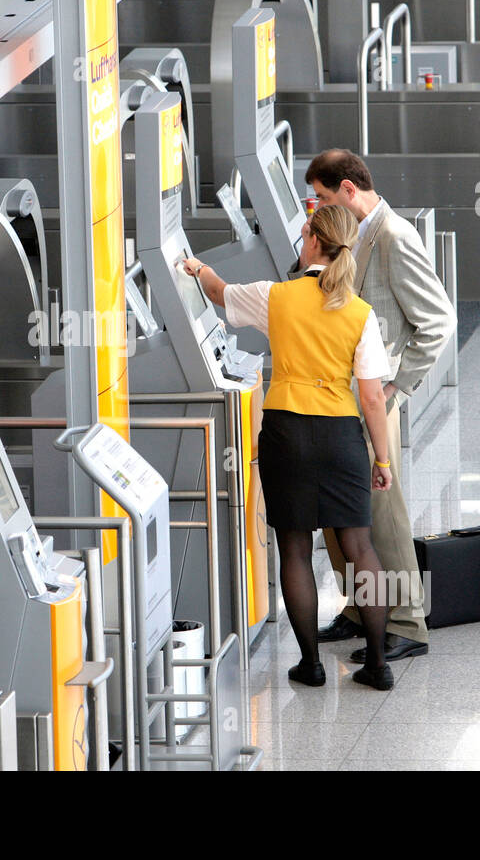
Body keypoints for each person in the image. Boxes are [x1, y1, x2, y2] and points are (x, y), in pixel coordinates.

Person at [181, 205, 396, 690]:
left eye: (305, 236)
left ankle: (311, 664)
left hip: (287, 432)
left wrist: (196, 268)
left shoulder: (276, 297)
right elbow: (371, 399)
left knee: (295, 548)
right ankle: (379, 663)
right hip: (341, 436)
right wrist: (380, 458)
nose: (301, 244)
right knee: (360, 547)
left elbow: (218, 293)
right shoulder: (360, 313)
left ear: (316, 243)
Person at [305, 149, 457, 663]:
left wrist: (397, 389)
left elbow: (437, 321)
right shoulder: (355, 235)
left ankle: (407, 620)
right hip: (335, 397)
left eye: (323, 197)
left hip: (372, 398)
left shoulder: (391, 237)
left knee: (380, 516)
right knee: (339, 512)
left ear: (349, 190)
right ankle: (360, 609)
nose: (317, 209)